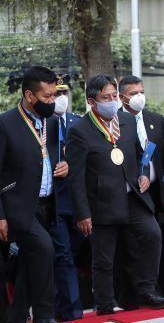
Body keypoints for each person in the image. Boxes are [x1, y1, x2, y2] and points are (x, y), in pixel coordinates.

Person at [67, 75, 164, 315]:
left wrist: (144, 173)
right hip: (102, 202)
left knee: (152, 234)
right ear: (92, 101)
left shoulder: (125, 120)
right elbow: (76, 178)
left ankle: (146, 290)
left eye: (114, 96)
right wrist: (83, 214)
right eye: (106, 98)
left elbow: (141, 154)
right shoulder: (80, 130)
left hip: (132, 196)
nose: (112, 101)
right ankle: (105, 304)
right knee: (104, 258)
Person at [0, 66, 64, 323]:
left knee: (31, 262)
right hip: (18, 206)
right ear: (29, 95)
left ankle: (15, 318)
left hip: (48, 204)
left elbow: (54, 154)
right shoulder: (5, 123)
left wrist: (65, 164)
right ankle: (44, 315)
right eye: (47, 96)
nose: (52, 101)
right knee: (44, 250)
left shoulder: (52, 121)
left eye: (54, 95)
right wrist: (1, 215)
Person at [118, 76, 164, 297]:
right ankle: (147, 289)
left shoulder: (155, 119)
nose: (139, 97)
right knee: (144, 242)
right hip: (136, 195)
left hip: (161, 191)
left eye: (141, 91)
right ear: (122, 97)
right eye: (133, 93)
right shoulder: (117, 123)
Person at [50, 73, 85, 320]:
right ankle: (71, 310)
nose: (61, 98)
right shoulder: (42, 124)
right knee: (62, 256)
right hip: (54, 202)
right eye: (56, 94)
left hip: (79, 202)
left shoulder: (78, 123)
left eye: (64, 93)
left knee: (72, 255)